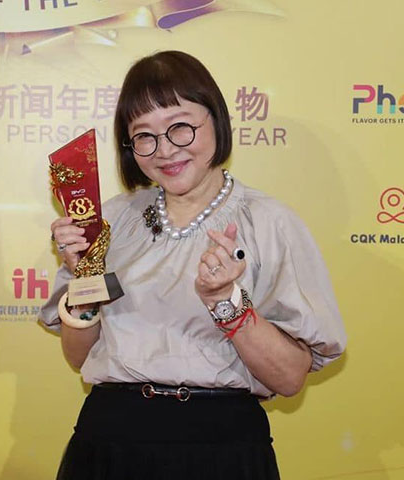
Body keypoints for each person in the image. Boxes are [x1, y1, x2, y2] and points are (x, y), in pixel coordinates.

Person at [39, 50, 346, 480]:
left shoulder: (268, 222)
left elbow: (290, 378)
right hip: (109, 442)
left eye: (180, 127)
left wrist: (226, 302)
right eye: (144, 136)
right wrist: (84, 276)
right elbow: (78, 355)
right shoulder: (112, 220)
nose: (165, 150)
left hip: (221, 447)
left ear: (215, 120)